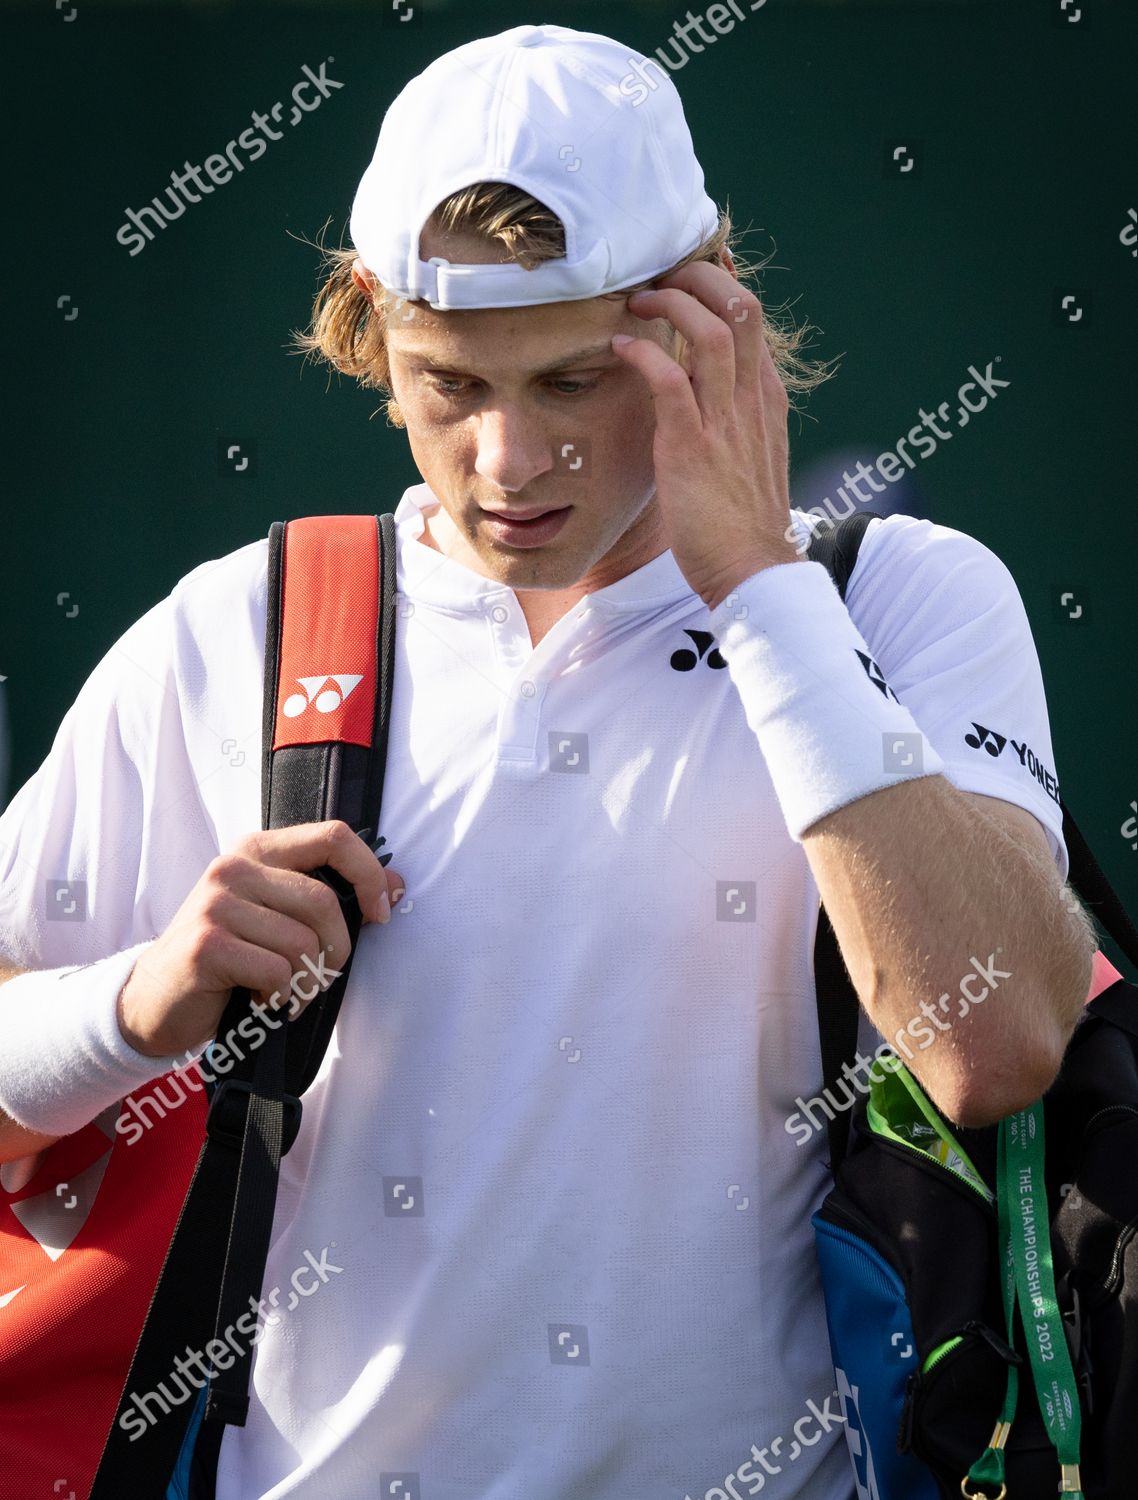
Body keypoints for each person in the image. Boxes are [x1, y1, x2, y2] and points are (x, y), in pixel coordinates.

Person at [0, 22, 1097, 1500]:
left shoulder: (895, 598)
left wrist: (761, 588)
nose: (509, 463)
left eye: (577, 383)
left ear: (710, 326)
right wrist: (136, 1005)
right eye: (449, 382)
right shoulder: (235, 629)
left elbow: (998, 1045)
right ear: (370, 335)